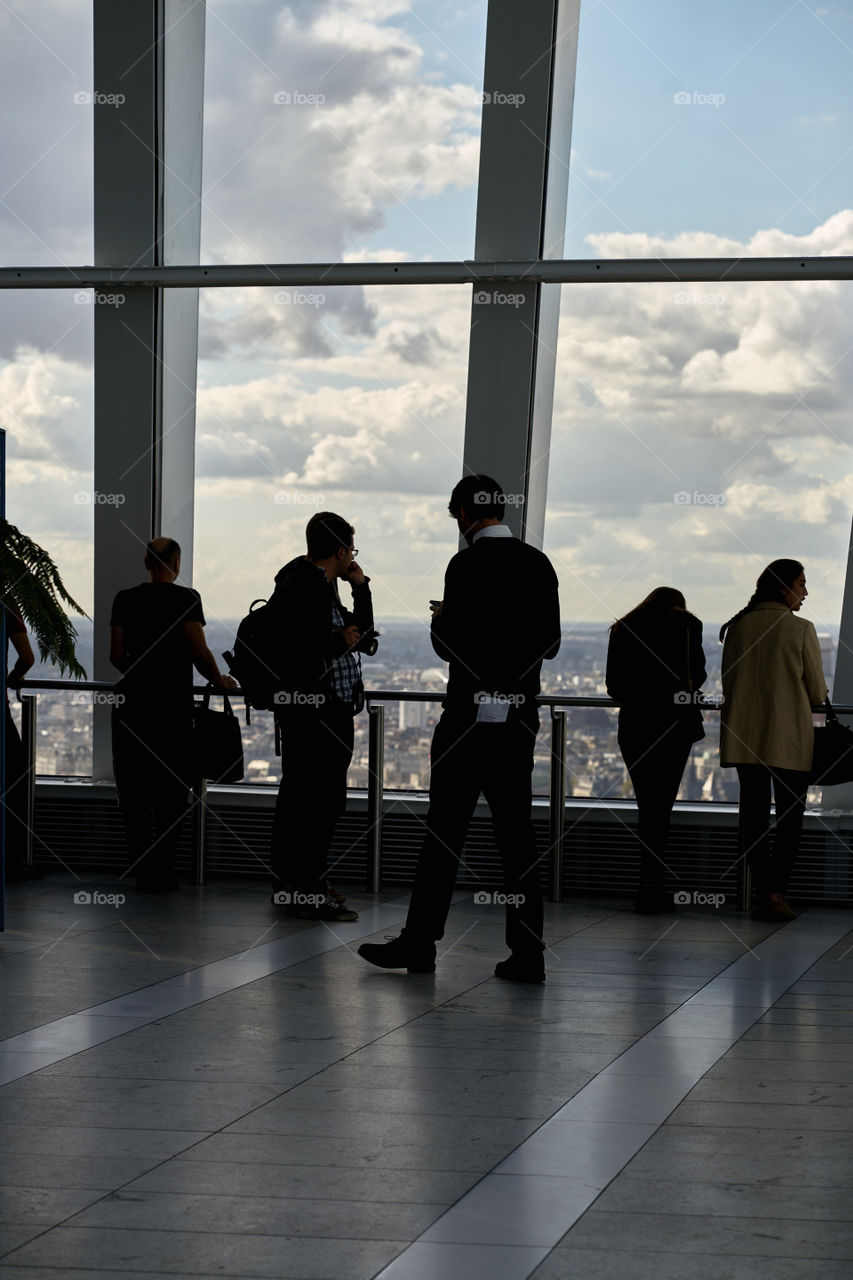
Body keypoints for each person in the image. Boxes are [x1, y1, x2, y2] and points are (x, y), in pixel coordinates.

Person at [359, 474, 561, 983]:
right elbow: (551, 643)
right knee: (517, 838)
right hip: (517, 716)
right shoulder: (538, 564)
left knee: (444, 833)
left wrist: (443, 619)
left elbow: (451, 645)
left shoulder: (465, 565)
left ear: (465, 515)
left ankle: (420, 944)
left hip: (466, 717)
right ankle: (528, 952)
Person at [109, 537, 235, 891]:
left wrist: (141, 675)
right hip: (172, 707)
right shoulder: (186, 599)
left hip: (131, 706)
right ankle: (161, 872)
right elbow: (198, 649)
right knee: (172, 792)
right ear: (176, 563)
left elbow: (116, 655)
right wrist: (220, 679)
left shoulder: (124, 599)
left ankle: (142, 872)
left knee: (133, 793)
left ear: (147, 563)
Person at [269, 511, 376, 923]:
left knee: (307, 798)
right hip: (316, 711)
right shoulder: (305, 587)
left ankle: (299, 885)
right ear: (341, 549)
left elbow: (360, 635)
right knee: (317, 801)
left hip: (318, 709)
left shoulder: (315, 584)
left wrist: (359, 587)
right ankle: (305, 889)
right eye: (351, 548)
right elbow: (299, 653)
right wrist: (336, 642)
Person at [719, 559, 826, 923]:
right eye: (801, 584)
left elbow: (729, 683)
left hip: (745, 738)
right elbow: (816, 692)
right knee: (790, 818)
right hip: (789, 739)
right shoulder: (800, 630)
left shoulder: (737, 628)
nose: (805, 593)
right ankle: (778, 893)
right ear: (784, 589)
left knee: (753, 818)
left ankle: (761, 892)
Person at [606, 587, 707, 914]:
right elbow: (698, 675)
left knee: (647, 803)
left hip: (636, 726)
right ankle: (652, 885)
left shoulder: (623, 626)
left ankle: (648, 885)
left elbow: (614, 686)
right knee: (660, 807)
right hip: (675, 725)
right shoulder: (689, 625)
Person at [2, 600, 36, 882]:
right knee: (14, 779)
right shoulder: (6, 603)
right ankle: (12, 860)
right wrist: (13, 678)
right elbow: (26, 656)